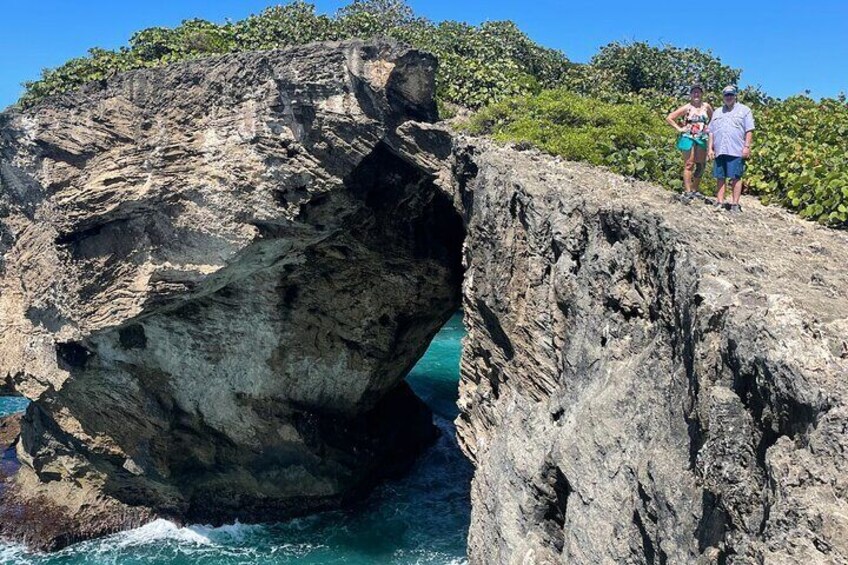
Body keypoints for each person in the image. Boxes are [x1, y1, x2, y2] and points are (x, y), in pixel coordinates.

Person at [708, 85, 755, 213]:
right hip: (719, 149)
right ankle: (719, 201)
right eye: (726, 95)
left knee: (736, 177)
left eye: (731, 95)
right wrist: (710, 149)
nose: (728, 97)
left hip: (736, 149)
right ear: (723, 97)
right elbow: (711, 131)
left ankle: (735, 204)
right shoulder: (717, 112)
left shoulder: (745, 110)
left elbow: (749, 130)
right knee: (720, 177)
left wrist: (746, 147)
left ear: (735, 96)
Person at [666, 84, 713, 201]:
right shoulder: (687, 107)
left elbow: (713, 119)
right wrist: (679, 128)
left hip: (702, 138)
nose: (696, 94)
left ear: (702, 94)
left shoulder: (706, 107)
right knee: (689, 164)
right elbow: (670, 117)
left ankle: (695, 190)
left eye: (698, 92)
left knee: (701, 165)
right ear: (691, 94)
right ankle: (687, 191)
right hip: (688, 137)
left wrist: (709, 130)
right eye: (694, 92)